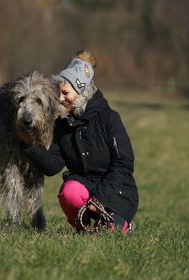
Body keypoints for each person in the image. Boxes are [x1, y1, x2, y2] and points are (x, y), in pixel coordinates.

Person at [23, 50, 139, 233]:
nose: (60, 99)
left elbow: (124, 163)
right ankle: (83, 229)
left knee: (110, 232)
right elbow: (53, 166)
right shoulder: (61, 124)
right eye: (58, 92)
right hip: (84, 189)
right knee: (68, 191)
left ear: (81, 93)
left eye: (65, 93)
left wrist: (101, 197)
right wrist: (29, 145)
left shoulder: (109, 118)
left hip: (117, 192)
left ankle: (120, 223)